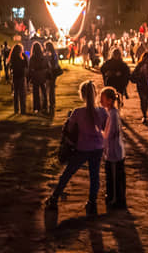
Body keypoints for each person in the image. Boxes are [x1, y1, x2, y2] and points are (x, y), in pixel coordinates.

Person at [45, 80, 107, 215]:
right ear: (96, 94)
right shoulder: (102, 112)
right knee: (94, 176)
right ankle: (92, 203)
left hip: (82, 148)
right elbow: (104, 128)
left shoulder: (78, 112)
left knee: (68, 173)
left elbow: (69, 129)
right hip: (97, 147)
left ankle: (54, 198)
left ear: (82, 95)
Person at [100, 86, 126, 209]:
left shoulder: (113, 114)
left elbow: (110, 134)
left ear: (110, 100)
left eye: (103, 99)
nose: (101, 101)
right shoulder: (110, 113)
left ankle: (116, 200)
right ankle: (112, 197)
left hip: (114, 153)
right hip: (111, 152)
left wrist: (100, 135)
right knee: (111, 176)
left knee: (115, 178)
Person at [131, 51, 148, 123]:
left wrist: (147, 75)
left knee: (145, 99)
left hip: (146, 84)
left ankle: (144, 114)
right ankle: (144, 114)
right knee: (143, 99)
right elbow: (134, 73)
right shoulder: (140, 65)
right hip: (141, 84)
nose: (146, 59)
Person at [27, 42, 50, 114]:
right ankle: (45, 106)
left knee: (36, 93)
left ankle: (36, 107)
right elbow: (47, 66)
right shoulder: (43, 57)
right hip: (42, 76)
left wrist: (29, 78)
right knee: (44, 92)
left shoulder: (32, 58)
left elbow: (30, 68)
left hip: (35, 76)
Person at [8, 44, 28, 114]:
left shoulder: (13, 57)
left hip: (15, 77)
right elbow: (26, 64)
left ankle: (16, 110)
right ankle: (23, 110)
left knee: (16, 94)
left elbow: (11, 66)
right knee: (22, 94)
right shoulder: (21, 57)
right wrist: (24, 55)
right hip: (21, 77)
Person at [44, 41, 60, 115]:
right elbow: (56, 64)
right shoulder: (55, 54)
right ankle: (52, 103)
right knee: (52, 89)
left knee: (48, 88)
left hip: (50, 73)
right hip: (53, 73)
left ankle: (49, 103)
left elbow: (49, 64)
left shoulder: (48, 54)